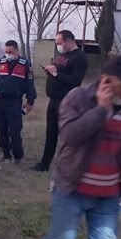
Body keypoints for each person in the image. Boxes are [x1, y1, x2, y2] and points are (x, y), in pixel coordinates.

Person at [27, 56, 121, 239]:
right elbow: (70, 136)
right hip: (72, 188)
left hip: (107, 195)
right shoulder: (77, 98)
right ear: (106, 80)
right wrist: (102, 109)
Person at [32, 30, 88, 172]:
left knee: (68, 136)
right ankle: (44, 164)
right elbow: (59, 72)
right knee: (50, 133)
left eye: (59, 43)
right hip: (53, 99)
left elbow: (75, 81)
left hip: (67, 102)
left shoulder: (79, 57)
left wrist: (56, 74)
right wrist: (50, 71)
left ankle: (71, 166)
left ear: (68, 41)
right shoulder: (62, 55)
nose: (58, 46)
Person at [0, 40, 36, 164]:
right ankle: (6, 154)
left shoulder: (25, 64)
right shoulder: (0, 62)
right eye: (6, 52)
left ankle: (18, 155)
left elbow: (30, 84)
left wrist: (30, 102)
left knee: (15, 130)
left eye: (10, 52)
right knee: (0, 128)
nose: (8, 54)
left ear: (16, 50)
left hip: (14, 102)